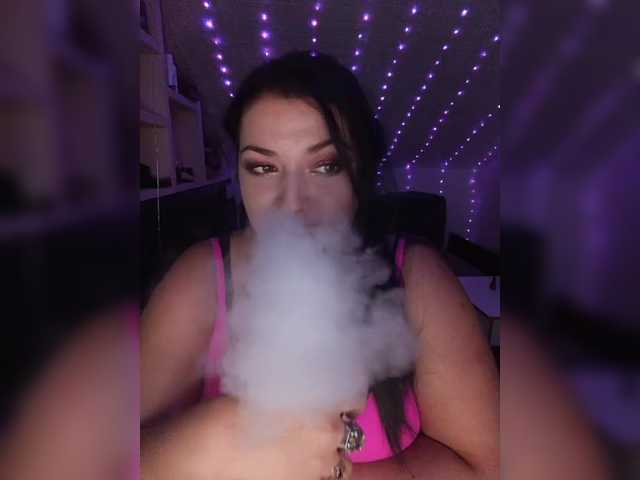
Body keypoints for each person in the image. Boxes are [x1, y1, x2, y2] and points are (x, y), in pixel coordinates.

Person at [140, 51, 498, 480]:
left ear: (361, 173)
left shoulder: (417, 275)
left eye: (327, 166)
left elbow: (484, 466)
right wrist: (201, 446)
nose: (293, 203)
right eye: (263, 167)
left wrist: (332, 471)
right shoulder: (201, 276)